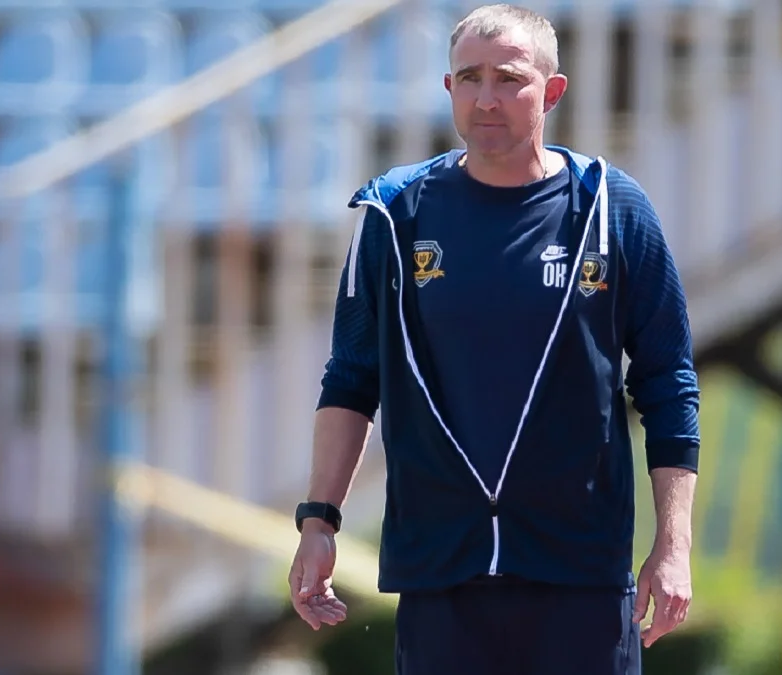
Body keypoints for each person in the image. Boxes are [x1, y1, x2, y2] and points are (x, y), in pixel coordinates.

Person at [288, 4, 700, 674]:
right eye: (469, 78)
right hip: (440, 573)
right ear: (448, 88)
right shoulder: (395, 214)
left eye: (509, 79)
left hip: (582, 574)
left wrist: (673, 544)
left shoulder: (610, 209)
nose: (486, 99)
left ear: (552, 91)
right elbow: (352, 376)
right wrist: (318, 521)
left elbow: (668, 381)